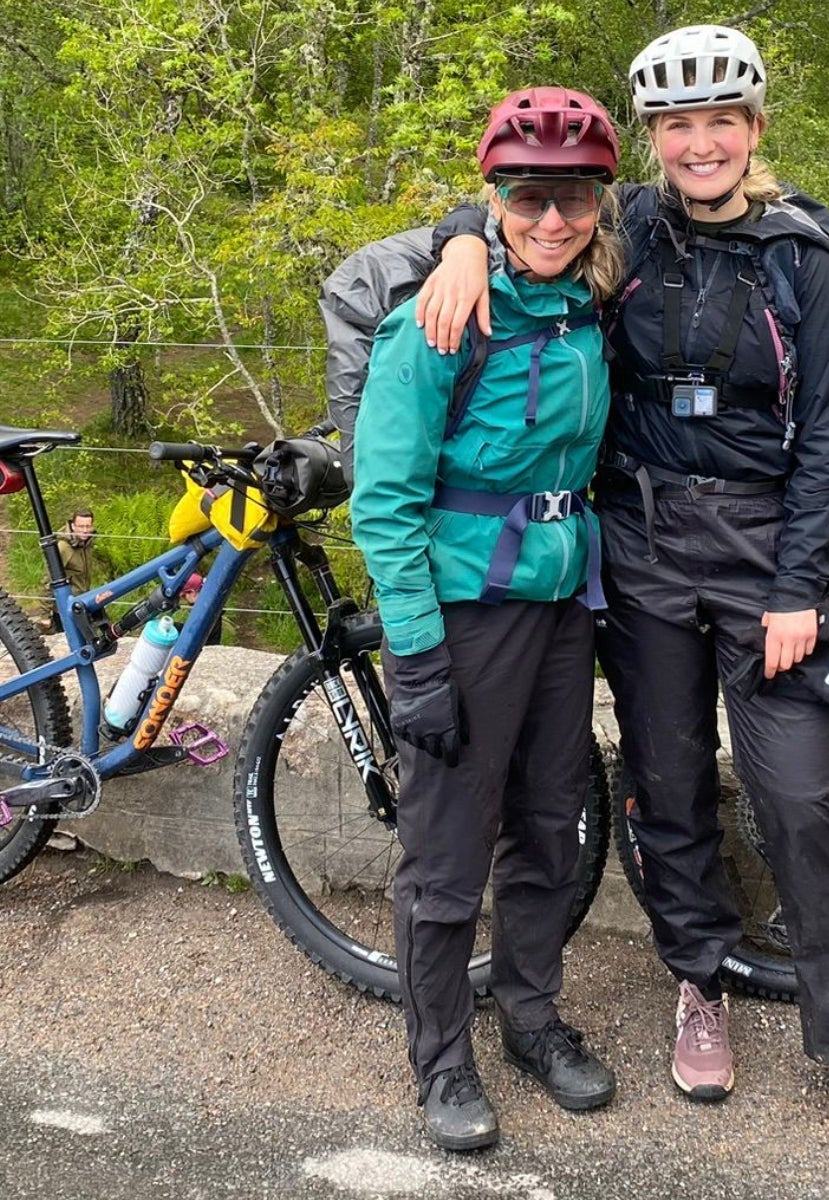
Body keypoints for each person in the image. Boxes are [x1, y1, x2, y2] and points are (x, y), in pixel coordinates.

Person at [418, 27, 829, 1158]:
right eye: (677, 127)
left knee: (801, 799)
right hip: (637, 544)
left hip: (761, 555)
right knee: (668, 781)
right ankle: (700, 981)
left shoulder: (804, 258)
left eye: (719, 124)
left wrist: (799, 584)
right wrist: (457, 242)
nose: (699, 145)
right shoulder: (623, 225)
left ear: (753, 132)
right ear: (655, 141)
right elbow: (518, 198)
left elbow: (827, 430)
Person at [347, 87, 625, 1152]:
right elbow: (385, 500)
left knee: (553, 826)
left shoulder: (587, 302)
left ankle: (532, 1018)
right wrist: (414, 652)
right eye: (524, 196)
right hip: (466, 612)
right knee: (447, 846)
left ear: (601, 200)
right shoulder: (440, 321)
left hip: (562, 604)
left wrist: (474, 232)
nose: (551, 219)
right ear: (495, 195)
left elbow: (714, 188)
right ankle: (442, 1058)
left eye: (573, 196)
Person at [45, 507, 111, 630]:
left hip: (84, 600)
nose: (85, 530)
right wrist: (44, 614)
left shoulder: (86, 544)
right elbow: (47, 580)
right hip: (65, 608)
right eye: (81, 526)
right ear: (73, 526)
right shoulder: (63, 548)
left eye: (88, 526)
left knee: (106, 631)